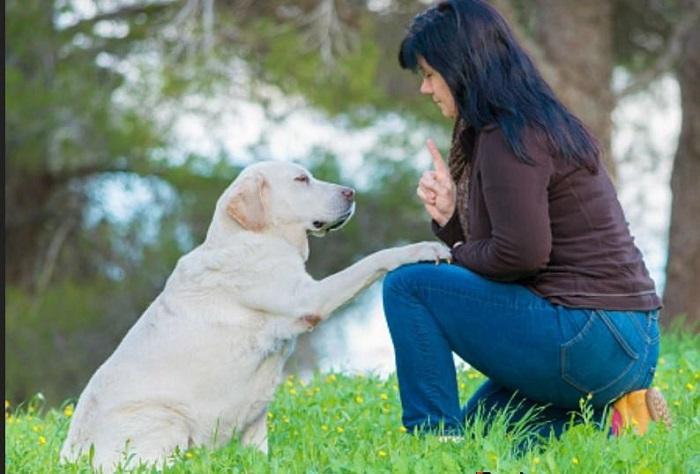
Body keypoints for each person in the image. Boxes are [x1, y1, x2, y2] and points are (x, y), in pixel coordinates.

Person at [382, 0, 672, 442]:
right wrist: (450, 221)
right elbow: (510, 251)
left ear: (460, 67)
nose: (426, 88)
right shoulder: (528, 122)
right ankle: (622, 419)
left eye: (428, 74)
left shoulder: (509, 136)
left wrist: (454, 250)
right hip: (627, 340)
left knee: (408, 285)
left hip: (593, 334)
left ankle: (431, 440)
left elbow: (520, 255)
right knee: (485, 432)